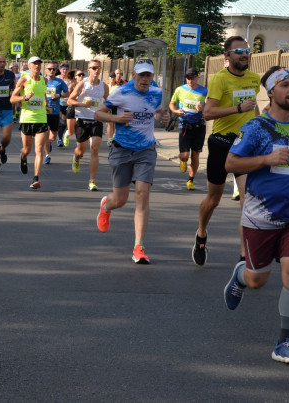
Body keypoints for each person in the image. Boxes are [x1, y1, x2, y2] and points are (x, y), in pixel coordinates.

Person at [222, 66, 289, 367]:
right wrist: (266, 159)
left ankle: (284, 343)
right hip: (259, 218)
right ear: (270, 92)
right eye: (285, 85)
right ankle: (240, 276)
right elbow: (230, 162)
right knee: (257, 280)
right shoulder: (255, 128)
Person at [94, 60, 170, 264]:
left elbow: (157, 111)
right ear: (134, 74)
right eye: (142, 75)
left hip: (146, 150)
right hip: (122, 150)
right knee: (120, 200)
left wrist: (162, 116)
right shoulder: (121, 92)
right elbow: (98, 113)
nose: (145, 79)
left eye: (149, 76)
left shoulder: (156, 93)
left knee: (142, 194)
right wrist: (116, 119)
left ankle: (139, 246)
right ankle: (106, 206)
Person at [193, 36, 260, 267]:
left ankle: (244, 255)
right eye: (239, 50)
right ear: (227, 56)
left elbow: (254, 107)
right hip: (221, 143)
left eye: (246, 50)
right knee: (214, 199)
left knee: (246, 199)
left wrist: (261, 127)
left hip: (245, 145)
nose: (244, 54)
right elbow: (208, 113)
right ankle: (201, 233)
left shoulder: (254, 79)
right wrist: (237, 108)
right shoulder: (219, 79)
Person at [67, 61, 108, 191]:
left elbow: (109, 102)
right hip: (82, 120)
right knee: (81, 151)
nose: (96, 70)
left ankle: (92, 181)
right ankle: (76, 157)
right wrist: (83, 105)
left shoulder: (104, 86)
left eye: (98, 68)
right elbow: (70, 100)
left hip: (96, 120)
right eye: (93, 68)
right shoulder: (82, 84)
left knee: (95, 150)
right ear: (89, 70)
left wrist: (107, 111)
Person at [10, 56, 49, 189]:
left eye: (39, 63)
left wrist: (46, 105)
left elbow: (43, 96)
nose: (37, 66)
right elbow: (12, 99)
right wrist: (24, 97)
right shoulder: (24, 80)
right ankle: (23, 157)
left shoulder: (44, 80)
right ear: (29, 65)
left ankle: (36, 179)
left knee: (39, 150)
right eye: (34, 64)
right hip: (27, 119)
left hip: (41, 119)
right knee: (27, 149)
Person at [168, 67, 208, 190]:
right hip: (184, 125)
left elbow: (211, 109)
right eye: (188, 78)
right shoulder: (180, 89)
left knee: (195, 155)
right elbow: (171, 103)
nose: (190, 80)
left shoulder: (204, 91)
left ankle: (190, 180)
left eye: (192, 77)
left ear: (197, 77)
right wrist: (175, 111)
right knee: (185, 155)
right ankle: (183, 160)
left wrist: (203, 109)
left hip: (199, 126)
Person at [43, 61, 69, 164]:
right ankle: (47, 155)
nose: (51, 71)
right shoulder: (42, 81)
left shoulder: (59, 82)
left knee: (53, 136)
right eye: (49, 69)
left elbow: (68, 92)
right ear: (46, 70)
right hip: (44, 112)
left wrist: (59, 95)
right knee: (45, 133)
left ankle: (49, 143)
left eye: (54, 69)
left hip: (55, 111)